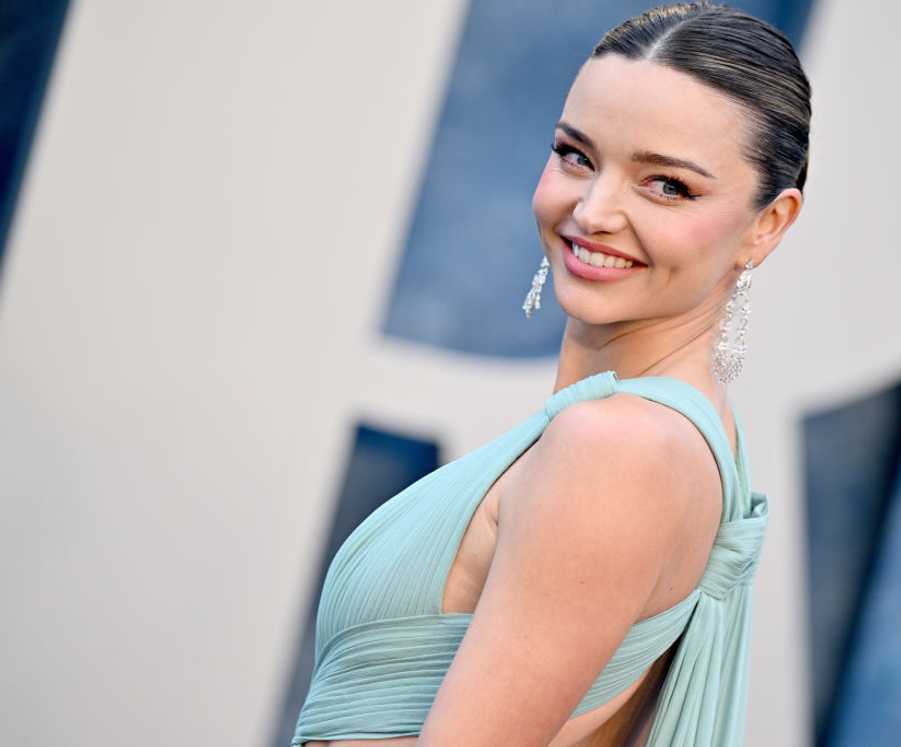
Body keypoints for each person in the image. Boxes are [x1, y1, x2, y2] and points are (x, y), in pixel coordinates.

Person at [293, 2, 809, 745]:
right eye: (577, 155)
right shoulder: (671, 435)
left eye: (666, 185)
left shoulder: (615, 449)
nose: (594, 210)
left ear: (767, 224)